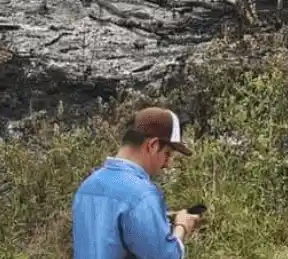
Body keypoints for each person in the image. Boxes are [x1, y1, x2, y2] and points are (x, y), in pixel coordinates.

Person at [72, 107, 203, 259]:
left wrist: (161, 216)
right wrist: (182, 226)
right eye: (167, 154)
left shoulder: (87, 186)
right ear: (153, 145)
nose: (168, 164)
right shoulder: (143, 196)